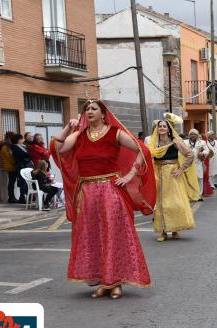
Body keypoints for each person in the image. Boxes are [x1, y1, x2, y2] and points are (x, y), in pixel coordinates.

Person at [50, 99, 156, 299]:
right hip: (87, 194)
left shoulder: (114, 133)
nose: (89, 111)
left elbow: (143, 150)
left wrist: (129, 176)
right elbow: (59, 149)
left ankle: (116, 283)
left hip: (110, 191)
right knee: (94, 236)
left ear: (103, 113)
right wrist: (68, 127)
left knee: (114, 235)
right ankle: (103, 281)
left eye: (93, 108)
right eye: (86, 109)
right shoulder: (79, 135)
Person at [148, 115, 200, 241]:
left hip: (172, 174)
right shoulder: (154, 143)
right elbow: (147, 156)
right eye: (159, 126)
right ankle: (163, 231)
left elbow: (189, 154)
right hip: (158, 174)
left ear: (168, 129)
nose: (161, 128)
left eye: (164, 126)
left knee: (175, 202)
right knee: (161, 203)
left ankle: (175, 229)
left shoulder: (175, 141)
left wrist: (181, 169)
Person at [184, 129, 210, 201]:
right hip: (188, 164)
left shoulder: (202, 142)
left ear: (197, 135)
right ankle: (190, 195)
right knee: (189, 179)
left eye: (194, 134)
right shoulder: (185, 142)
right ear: (189, 135)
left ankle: (199, 195)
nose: (193, 136)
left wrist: (203, 153)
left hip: (198, 163)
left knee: (199, 179)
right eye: (191, 134)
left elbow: (207, 150)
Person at [11, 133, 33, 204]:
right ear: (17, 140)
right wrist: (27, 155)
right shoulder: (15, 147)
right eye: (21, 139)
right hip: (21, 166)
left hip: (26, 165)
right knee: (22, 182)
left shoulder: (22, 146)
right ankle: (22, 197)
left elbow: (29, 154)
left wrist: (27, 154)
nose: (22, 140)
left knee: (26, 182)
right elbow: (24, 154)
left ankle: (26, 197)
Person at [0, 131, 18, 203]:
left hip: (12, 166)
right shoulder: (5, 147)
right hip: (10, 167)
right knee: (11, 182)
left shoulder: (8, 145)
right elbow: (9, 157)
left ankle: (12, 196)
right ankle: (11, 197)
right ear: (9, 137)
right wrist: (15, 163)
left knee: (12, 181)